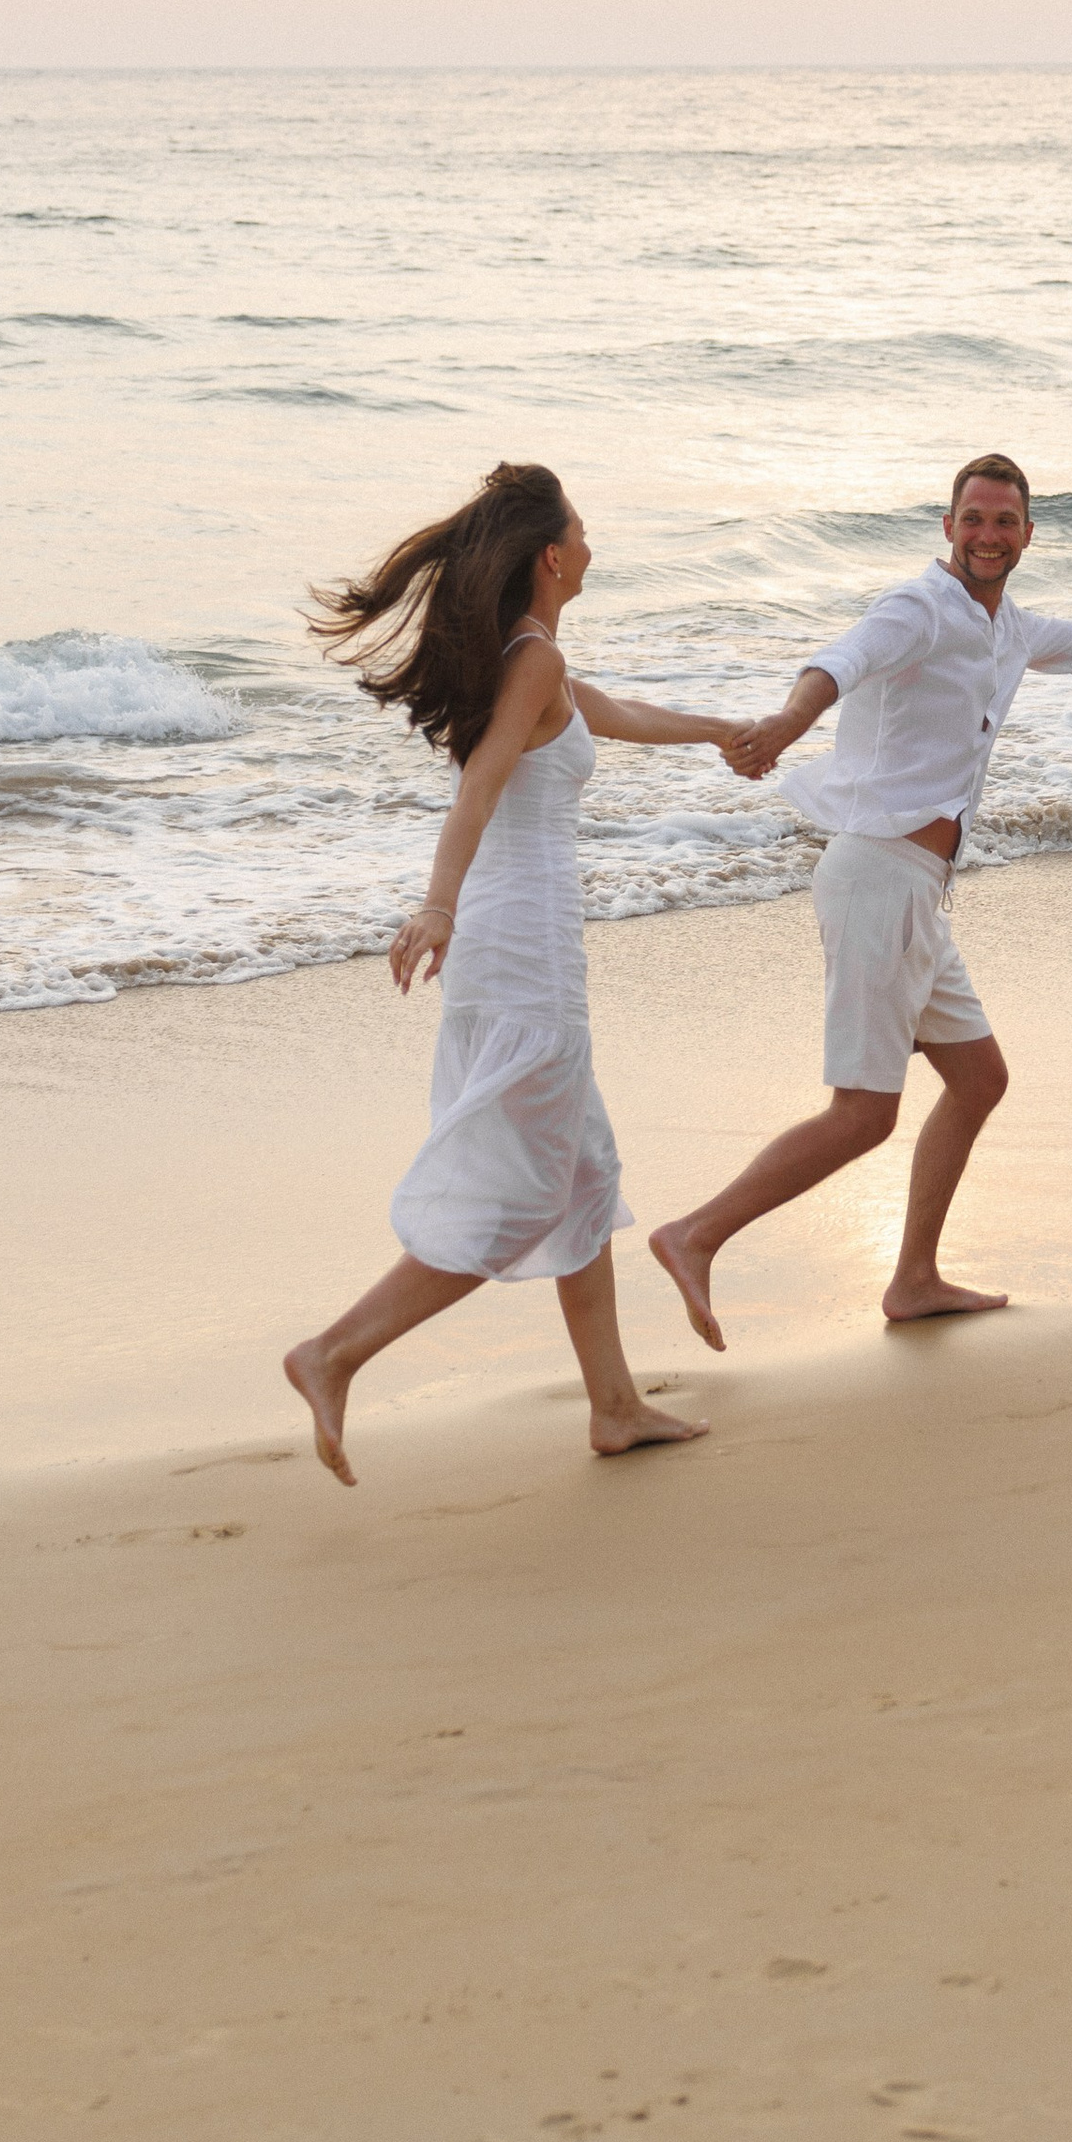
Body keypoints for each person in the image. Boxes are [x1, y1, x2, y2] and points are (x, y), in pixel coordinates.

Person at [650, 453, 1072, 1351]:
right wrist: (781, 724)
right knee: (863, 1114)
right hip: (876, 876)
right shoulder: (919, 608)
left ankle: (914, 1278)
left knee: (979, 1079)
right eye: (973, 519)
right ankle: (694, 1235)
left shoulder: (1007, 629)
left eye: (1004, 522)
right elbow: (840, 664)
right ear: (948, 528)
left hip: (917, 892)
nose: (988, 535)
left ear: (1028, 535)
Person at [283, 460, 741, 1483]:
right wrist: (435, 903)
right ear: (549, 556)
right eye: (581, 529)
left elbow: (616, 712)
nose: (591, 545)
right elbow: (480, 790)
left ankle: (616, 1407)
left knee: (580, 1179)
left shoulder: (539, 662)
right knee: (520, 1192)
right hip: (521, 950)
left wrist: (721, 731)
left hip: (519, 945)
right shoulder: (529, 661)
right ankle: (333, 1352)